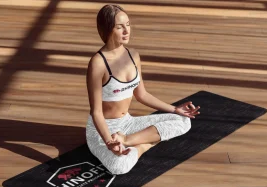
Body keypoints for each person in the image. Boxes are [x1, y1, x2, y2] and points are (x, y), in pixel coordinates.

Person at [86, 4, 200, 175]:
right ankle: (143, 145)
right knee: (119, 167)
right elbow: (96, 113)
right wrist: (109, 141)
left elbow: (142, 94)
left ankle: (129, 141)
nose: (126, 31)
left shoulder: (133, 55)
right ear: (107, 29)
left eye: (128, 24)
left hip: (128, 124)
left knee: (183, 121)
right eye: (119, 27)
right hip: (104, 130)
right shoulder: (98, 63)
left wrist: (175, 109)